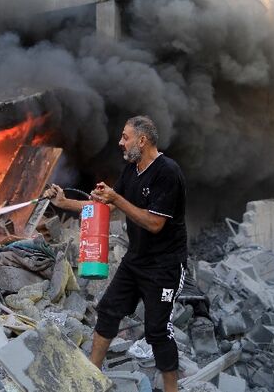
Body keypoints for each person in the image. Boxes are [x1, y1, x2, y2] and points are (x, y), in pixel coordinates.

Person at [43, 116, 187, 392]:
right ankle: (91, 378)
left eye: (125, 137)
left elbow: (155, 224)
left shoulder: (167, 172)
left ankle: (172, 390)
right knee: (108, 311)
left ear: (142, 141)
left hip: (165, 266)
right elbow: (103, 206)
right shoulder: (132, 170)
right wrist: (63, 202)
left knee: (157, 331)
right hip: (136, 260)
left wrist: (117, 198)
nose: (121, 142)